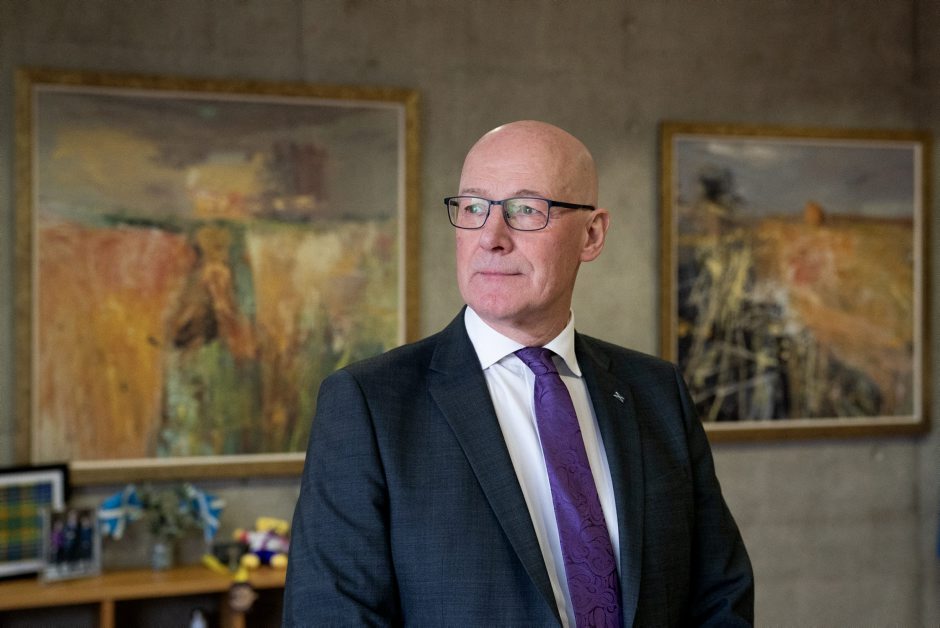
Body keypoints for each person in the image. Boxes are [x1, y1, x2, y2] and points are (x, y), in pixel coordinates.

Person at [284, 120, 754, 626]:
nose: (491, 237)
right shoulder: (368, 404)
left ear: (592, 235)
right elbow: (330, 617)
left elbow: (720, 597)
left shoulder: (657, 392)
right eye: (473, 208)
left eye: (526, 210)